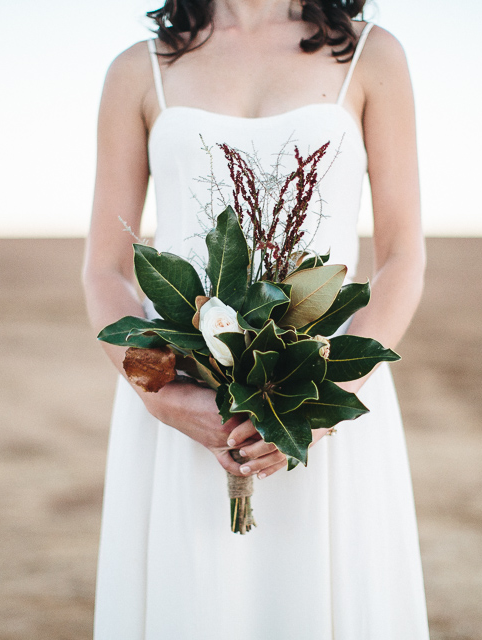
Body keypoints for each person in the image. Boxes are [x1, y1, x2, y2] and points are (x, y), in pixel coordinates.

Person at [83, 1, 428, 638]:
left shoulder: (371, 54)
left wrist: (325, 402)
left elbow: (403, 257)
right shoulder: (139, 70)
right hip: (185, 413)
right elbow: (105, 270)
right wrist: (163, 396)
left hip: (325, 405)